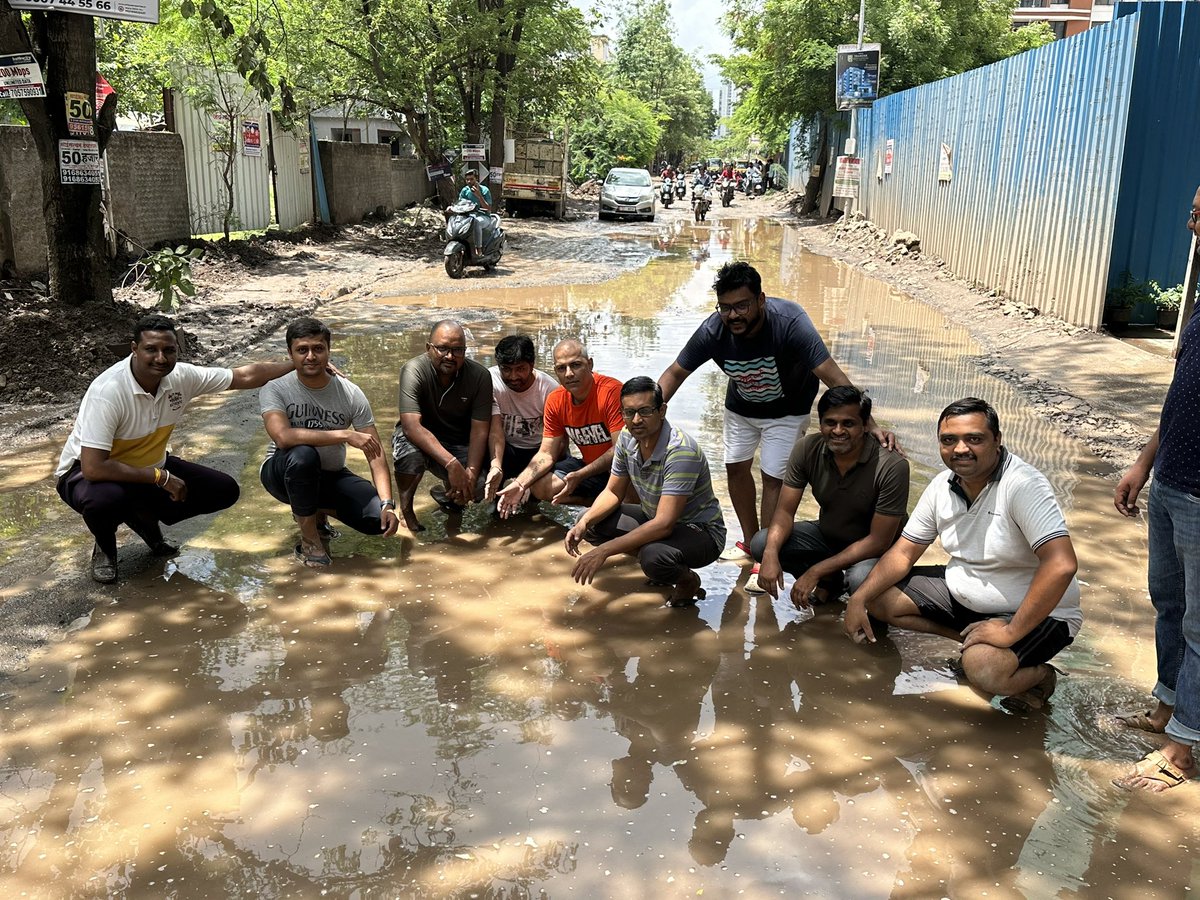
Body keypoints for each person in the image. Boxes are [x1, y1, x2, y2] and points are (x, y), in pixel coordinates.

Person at [843, 398, 1081, 711]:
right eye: (949, 440)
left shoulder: (1023, 484)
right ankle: (973, 642)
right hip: (965, 594)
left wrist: (1010, 631)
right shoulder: (942, 485)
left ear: (997, 440)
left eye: (974, 439)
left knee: (984, 671)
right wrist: (858, 600)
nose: (960, 449)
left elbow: (1061, 565)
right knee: (872, 592)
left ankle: (1039, 676)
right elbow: (904, 552)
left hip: (1037, 613)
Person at [658, 260, 892, 566]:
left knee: (773, 477)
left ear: (761, 300)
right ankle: (750, 544)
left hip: (788, 412)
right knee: (735, 468)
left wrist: (869, 423)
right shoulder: (713, 331)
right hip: (741, 408)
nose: (733, 315)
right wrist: (649, 411)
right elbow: (676, 373)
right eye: (725, 307)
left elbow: (833, 377)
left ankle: (765, 555)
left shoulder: (790, 323)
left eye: (741, 306)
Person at [55, 313, 296, 583]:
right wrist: (161, 478)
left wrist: (298, 363)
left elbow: (245, 376)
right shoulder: (109, 392)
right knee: (105, 501)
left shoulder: (181, 377)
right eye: (151, 349)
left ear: (177, 351)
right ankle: (105, 547)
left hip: (148, 466)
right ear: (134, 349)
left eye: (169, 350)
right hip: (84, 474)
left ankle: (142, 518)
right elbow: (94, 467)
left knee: (223, 489)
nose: (161, 358)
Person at [1110, 184, 1200, 792]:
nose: (1193, 218)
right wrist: (1144, 462)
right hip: (1171, 482)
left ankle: (1185, 747)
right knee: (1167, 603)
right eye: (1193, 207)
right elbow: (1180, 403)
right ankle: (1169, 705)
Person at [565, 376, 725, 608]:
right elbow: (612, 491)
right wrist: (584, 522)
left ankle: (687, 580)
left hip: (702, 532)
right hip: (656, 519)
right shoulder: (627, 438)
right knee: (589, 521)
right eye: (629, 413)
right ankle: (663, 568)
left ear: (662, 411)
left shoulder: (680, 451)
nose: (636, 420)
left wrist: (604, 551)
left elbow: (664, 524)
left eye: (645, 411)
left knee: (654, 556)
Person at [259, 317, 399, 568]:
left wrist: (388, 503)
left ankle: (313, 512)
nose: (311, 356)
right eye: (302, 350)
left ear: (328, 352)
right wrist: (344, 434)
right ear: (290, 354)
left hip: (331, 475)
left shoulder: (350, 392)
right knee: (303, 455)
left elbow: (375, 453)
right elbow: (283, 437)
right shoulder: (275, 389)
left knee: (376, 519)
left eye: (318, 349)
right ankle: (310, 539)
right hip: (282, 473)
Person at [750, 386, 909, 601]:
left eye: (848, 424)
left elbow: (878, 541)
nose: (838, 431)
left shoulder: (892, 465)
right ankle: (831, 584)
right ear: (821, 423)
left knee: (860, 578)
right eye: (830, 422)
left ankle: (870, 609)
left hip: (877, 551)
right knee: (762, 543)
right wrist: (769, 555)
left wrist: (814, 571)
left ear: (865, 426)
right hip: (830, 536)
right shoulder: (806, 449)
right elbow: (785, 512)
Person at [495, 339, 625, 516]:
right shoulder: (556, 399)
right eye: (561, 368)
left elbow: (620, 451)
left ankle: (611, 505)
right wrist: (520, 484)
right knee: (540, 487)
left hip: (623, 471)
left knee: (626, 507)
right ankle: (594, 502)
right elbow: (547, 453)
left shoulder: (612, 392)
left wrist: (582, 474)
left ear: (590, 364)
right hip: (589, 468)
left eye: (576, 365)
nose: (569, 374)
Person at [392, 320, 493, 530]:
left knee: (481, 487)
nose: (450, 356)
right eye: (443, 348)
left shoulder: (480, 376)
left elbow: (480, 430)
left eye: (457, 350)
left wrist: (471, 473)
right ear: (429, 348)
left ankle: (451, 502)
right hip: (419, 438)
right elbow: (411, 426)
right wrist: (452, 464)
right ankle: (406, 507)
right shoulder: (413, 370)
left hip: (457, 440)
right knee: (409, 457)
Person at [485, 334, 559, 499]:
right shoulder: (490, 381)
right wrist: (495, 466)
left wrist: (526, 481)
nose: (513, 376)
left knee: (535, 497)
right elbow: (495, 431)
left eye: (520, 369)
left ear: (531, 365)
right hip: (507, 449)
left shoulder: (549, 389)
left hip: (538, 450)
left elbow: (556, 444)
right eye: (506, 369)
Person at [456, 167, 494, 257]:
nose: (469, 181)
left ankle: (478, 250)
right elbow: (460, 203)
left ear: (477, 179)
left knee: (476, 222)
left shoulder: (484, 190)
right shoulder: (464, 191)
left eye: (471, 179)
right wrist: (452, 208)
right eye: (467, 180)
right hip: (467, 216)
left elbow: (488, 208)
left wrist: (479, 196)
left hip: (483, 217)